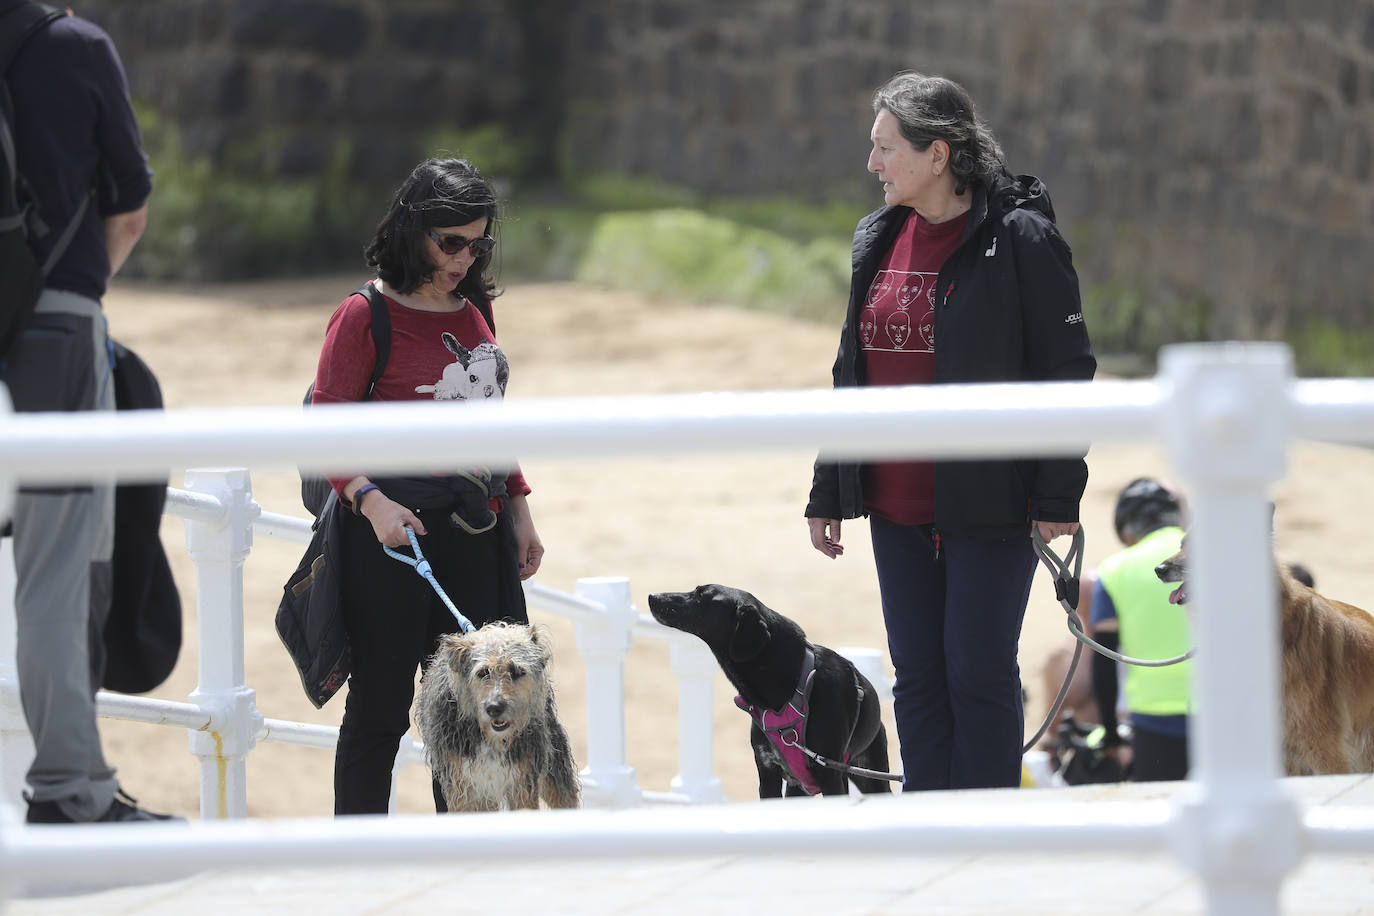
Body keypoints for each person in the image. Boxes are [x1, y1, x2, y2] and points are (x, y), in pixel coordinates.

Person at [805, 71, 1096, 791]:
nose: (872, 163)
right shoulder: (876, 236)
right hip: (895, 504)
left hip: (991, 499)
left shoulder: (1023, 237)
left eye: (885, 147)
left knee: (977, 669)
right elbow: (853, 369)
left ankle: (989, 831)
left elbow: (1067, 369)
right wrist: (829, 485)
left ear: (938, 155)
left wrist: (1059, 493)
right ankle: (931, 827)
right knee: (919, 675)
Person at [311, 157, 545, 815]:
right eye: (451, 242)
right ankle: (359, 867)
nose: (465, 258)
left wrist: (520, 508)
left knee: (478, 713)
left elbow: (488, 417)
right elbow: (323, 426)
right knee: (382, 711)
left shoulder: (474, 307)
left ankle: (468, 871)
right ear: (413, 230)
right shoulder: (363, 315)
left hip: (479, 528)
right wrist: (370, 499)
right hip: (392, 536)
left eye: (478, 244)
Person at [0, 2, 176, 822]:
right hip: (55, 333)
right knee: (58, 571)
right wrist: (66, 292)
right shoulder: (73, 46)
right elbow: (129, 210)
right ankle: (70, 791)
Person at [1089, 478, 1191, 782]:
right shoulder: (1211, 551)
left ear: (1126, 531)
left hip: (1154, 720)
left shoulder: (1114, 570)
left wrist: (1110, 733)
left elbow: (1103, 660)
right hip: (1225, 709)